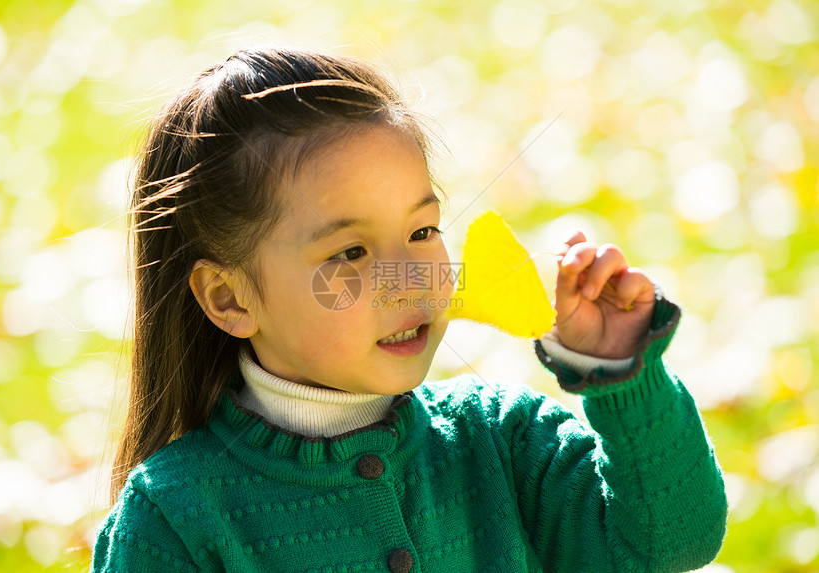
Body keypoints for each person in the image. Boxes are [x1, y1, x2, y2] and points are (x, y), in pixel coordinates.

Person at [91, 45, 727, 573]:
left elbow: (670, 541)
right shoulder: (174, 517)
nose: (409, 279)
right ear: (231, 297)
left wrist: (619, 371)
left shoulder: (499, 438)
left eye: (422, 232)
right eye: (351, 250)